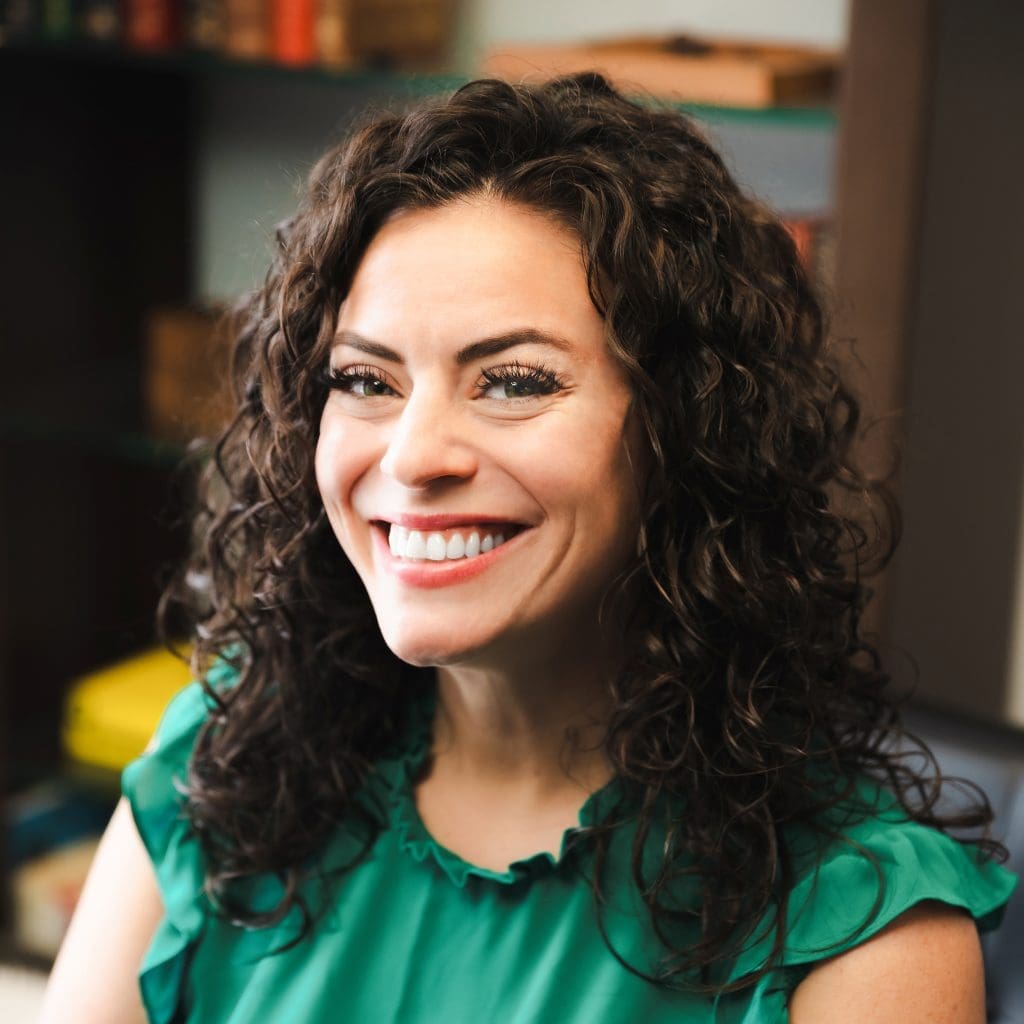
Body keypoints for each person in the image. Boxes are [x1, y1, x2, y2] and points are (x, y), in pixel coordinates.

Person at [42, 73, 1017, 1023]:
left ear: (685, 432)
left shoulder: (864, 936)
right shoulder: (225, 765)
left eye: (512, 380)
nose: (414, 455)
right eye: (367, 380)